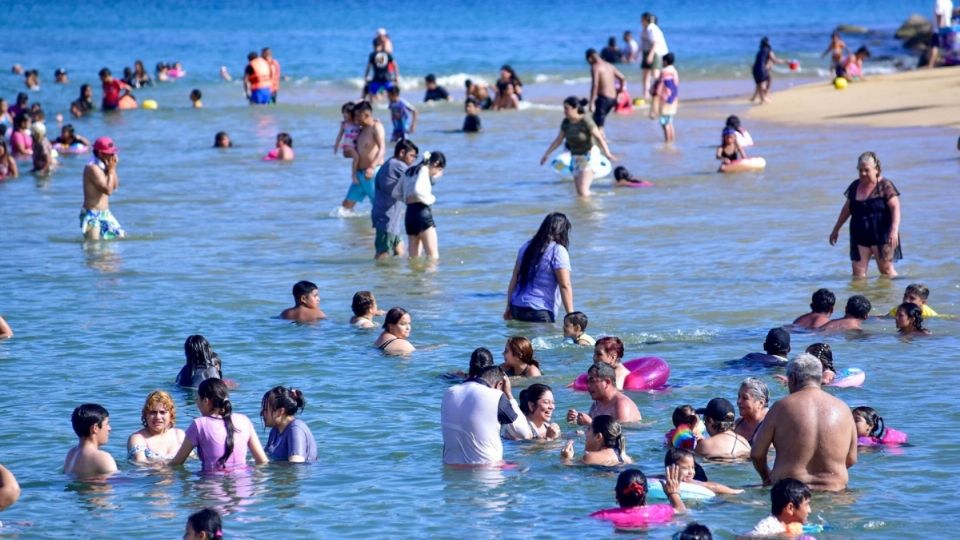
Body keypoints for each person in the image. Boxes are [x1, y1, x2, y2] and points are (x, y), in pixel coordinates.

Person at [751, 353, 858, 491]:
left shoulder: (781, 407)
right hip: (835, 493)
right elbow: (851, 459)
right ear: (820, 378)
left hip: (790, 494)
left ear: (793, 379)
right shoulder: (842, 409)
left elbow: (757, 453)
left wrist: (766, 478)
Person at [169, 378, 268, 471]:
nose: (196, 402)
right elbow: (262, 461)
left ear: (206, 401)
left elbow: (177, 463)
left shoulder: (199, 424)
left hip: (210, 486)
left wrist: (158, 468)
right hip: (245, 486)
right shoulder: (244, 420)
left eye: (198, 398)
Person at [830, 152, 903, 277]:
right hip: (859, 236)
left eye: (866, 170)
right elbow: (847, 209)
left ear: (876, 169)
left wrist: (894, 230)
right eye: (860, 170)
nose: (863, 173)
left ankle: (892, 296)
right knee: (858, 275)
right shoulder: (855, 186)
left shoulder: (885, 186)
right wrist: (836, 229)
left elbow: (895, 207)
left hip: (882, 236)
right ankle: (862, 297)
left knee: (886, 271)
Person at [539, 96, 617, 197]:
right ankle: (595, 204)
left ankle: (593, 211)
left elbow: (599, 137)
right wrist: (546, 154)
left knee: (583, 191)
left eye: (567, 109)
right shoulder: (566, 122)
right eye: (564, 109)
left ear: (575, 108)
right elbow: (558, 140)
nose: (564, 112)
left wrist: (608, 153)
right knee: (580, 193)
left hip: (589, 156)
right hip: (575, 157)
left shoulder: (585, 120)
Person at [504, 212, 574, 322]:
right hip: (540, 310)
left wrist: (508, 306)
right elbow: (564, 285)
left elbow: (515, 278)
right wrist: (571, 315)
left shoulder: (526, 247)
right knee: (543, 339)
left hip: (517, 307)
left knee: (521, 339)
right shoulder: (558, 250)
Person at [441, 365, 518, 465]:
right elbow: (521, 431)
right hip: (486, 468)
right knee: (523, 469)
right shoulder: (495, 395)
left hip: (450, 467)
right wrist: (508, 394)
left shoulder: (449, 392)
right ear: (499, 385)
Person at [590, 468, 685, 528]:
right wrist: (673, 493)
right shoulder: (661, 510)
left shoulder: (603, 516)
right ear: (645, 493)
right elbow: (681, 511)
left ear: (616, 494)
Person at [371, 141, 418, 259]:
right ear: (402, 152)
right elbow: (415, 177)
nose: (414, 159)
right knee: (382, 255)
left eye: (416, 157)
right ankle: (379, 276)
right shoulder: (397, 165)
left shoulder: (390, 163)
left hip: (389, 218)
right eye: (412, 155)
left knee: (401, 252)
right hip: (387, 218)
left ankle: (396, 277)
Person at [400, 150, 445, 259]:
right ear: (435, 163)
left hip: (409, 214)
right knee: (433, 256)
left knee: (413, 258)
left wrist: (408, 200)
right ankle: (432, 276)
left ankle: (415, 276)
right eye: (439, 169)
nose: (436, 174)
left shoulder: (409, 171)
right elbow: (418, 191)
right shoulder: (424, 169)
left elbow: (395, 192)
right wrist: (432, 199)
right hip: (422, 213)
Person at [568, 362, 642, 425]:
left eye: (592, 381)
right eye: (588, 382)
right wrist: (577, 419)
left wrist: (590, 423)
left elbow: (621, 433)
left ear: (607, 382)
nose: (588, 386)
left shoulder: (622, 404)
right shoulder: (597, 404)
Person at [343, 101, 385, 210]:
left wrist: (372, 167)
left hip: (373, 173)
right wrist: (347, 152)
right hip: (359, 175)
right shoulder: (359, 130)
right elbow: (350, 152)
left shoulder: (376, 126)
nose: (355, 118)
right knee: (344, 209)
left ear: (366, 115)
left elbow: (382, 149)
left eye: (357, 115)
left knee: (380, 207)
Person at [81, 137, 125, 240]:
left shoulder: (105, 167)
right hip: (92, 215)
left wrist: (113, 169)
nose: (113, 156)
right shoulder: (92, 168)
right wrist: (111, 170)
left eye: (113, 153)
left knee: (119, 241)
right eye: (110, 153)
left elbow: (115, 186)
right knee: (94, 250)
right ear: (100, 153)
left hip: (105, 213)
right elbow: (108, 191)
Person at [127, 390, 187, 463]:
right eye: (153, 412)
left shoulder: (179, 435)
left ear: (171, 415)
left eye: (162, 412)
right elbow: (140, 465)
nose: (158, 417)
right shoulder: (137, 438)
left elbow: (194, 460)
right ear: (146, 415)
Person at [260, 386, 317, 462]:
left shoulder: (296, 429)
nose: (261, 414)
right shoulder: (275, 430)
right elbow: (264, 455)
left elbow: (296, 467)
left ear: (281, 411)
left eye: (266, 410)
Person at [64, 403, 118, 478]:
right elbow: (119, 482)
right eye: (107, 424)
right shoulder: (102, 457)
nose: (109, 428)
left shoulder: (71, 454)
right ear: (95, 428)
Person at [747, 478, 813, 537]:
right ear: (790, 508)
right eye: (807, 504)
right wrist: (784, 535)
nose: (810, 510)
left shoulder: (799, 522)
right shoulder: (769, 527)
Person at [665, 447, 743, 495]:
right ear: (670, 469)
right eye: (685, 468)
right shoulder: (665, 481)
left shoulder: (691, 482)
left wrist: (734, 492)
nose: (691, 472)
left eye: (693, 467)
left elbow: (715, 487)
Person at [561, 414, 632, 466]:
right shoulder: (625, 457)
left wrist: (566, 459)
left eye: (588, 429)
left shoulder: (590, 457)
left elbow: (569, 472)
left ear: (598, 436)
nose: (585, 432)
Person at [586, 49, 626, 132]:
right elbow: (622, 78)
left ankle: (602, 143)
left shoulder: (595, 67)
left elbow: (595, 85)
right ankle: (599, 142)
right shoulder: (610, 66)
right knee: (595, 122)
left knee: (598, 126)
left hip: (603, 99)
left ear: (590, 58)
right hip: (612, 99)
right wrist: (620, 92)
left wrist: (592, 102)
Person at [649, 52, 679, 143]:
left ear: (665, 62)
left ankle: (667, 141)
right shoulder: (674, 71)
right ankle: (672, 140)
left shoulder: (664, 71)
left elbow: (660, 85)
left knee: (664, 122)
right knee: (670, 122)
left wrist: (653, 92)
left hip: (665, 99)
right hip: (673, 99)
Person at [640, 13, 670, 97]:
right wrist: (637, 54)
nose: (641, 22)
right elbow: (642, 43)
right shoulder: (645, 29)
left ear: (646, 20)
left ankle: (658, 93)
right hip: (647, 52)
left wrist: (650, 55)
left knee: (656, 74)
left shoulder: (651, 28)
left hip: (655, 52)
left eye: (642, 20)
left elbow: (655, 43)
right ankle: (646, 95)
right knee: (645, 75)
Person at [750, 37, 786, 105]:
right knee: (765, 82)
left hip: (755, 69)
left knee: (760, 83)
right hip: (761, 69)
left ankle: (757, 98)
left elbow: (756, 63)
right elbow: (775, 60)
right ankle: (763, 98)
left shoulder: (759, 51)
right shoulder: (769, 50)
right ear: (768, 43)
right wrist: (786, 61)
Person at [734, 377, 770, 442]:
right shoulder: (737, 424)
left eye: (745, 398)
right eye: (739, 396)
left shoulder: (769, 426)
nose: (738, 401)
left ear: (760, 403)